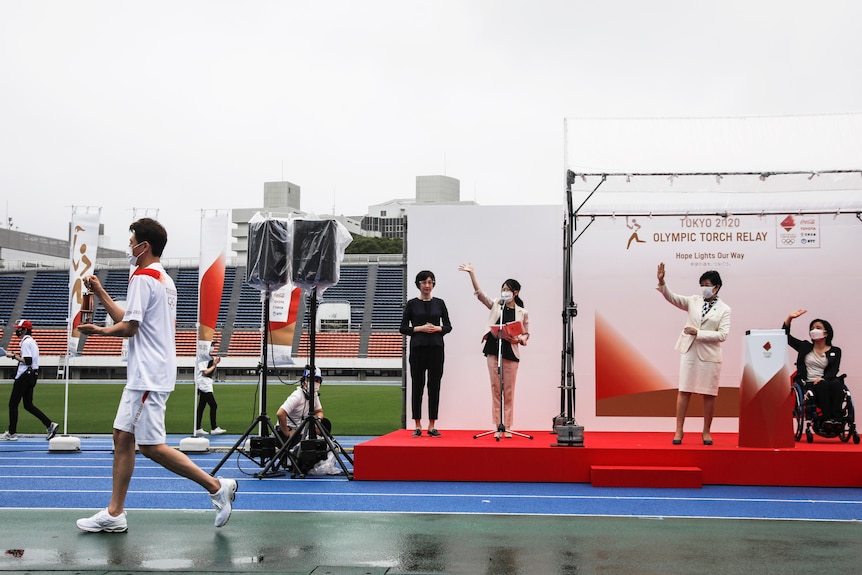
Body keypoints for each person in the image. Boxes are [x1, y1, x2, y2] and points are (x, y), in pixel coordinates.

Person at [75, 218, 237, 533]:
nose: (129, 247)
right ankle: (114, 512)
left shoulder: (142, 278)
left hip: (148, 373)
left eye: (132, 240)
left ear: (144, 246)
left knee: (150, 446)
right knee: (122, 437)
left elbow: (129, 327)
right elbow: (131, 317)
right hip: (149, 371)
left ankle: (217, 487)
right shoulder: (162, 279)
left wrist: (99, 331)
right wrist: (102, 292)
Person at [656, 263, 731, 446]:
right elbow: (672, 297)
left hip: (710, 355)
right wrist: (662, 281)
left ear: (717, 286)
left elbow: (722, 335)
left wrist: (698, 333)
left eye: (707, 285)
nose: (704, 288)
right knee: (684, 390)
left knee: (709, 394)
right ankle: (679, 429)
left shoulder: (724, 309)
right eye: (702, 285)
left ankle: (706, 431)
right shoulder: (693, 301)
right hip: (690, 351)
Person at [458, 263, 529, 439]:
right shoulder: (497, 304)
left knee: (509, 390)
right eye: (503, 289)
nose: (505, 292)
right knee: (495, 389)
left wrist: (518, 339)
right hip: (493, 349)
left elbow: (526, 334)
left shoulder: (522, 312)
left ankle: (509, 425)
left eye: (508, 289)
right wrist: (472, 274)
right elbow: (480, 295)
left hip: (510, 351)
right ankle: (498, 425)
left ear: (516, 292)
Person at [399, 270, 452, 437]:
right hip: (418, 349)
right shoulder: (412, 304)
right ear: (418, 284)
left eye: (430, 282)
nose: (427, 285)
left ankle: (432, 424)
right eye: (424, 282)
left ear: (433, 284)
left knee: (434, 386)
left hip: (436, 348)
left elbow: (448, 326)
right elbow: (403, 328)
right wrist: (419, 329)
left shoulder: (440, 303)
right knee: (417, 386)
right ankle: (417, 424)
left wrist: (439, 329)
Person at [783, 310, 843, 427]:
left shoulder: (836, 351)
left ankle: (837, 419)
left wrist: (823, 378)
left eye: (818, 327)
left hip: (827, 380)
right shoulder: (804, 346)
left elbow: (834, 369)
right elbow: (785, 337)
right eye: (812, 328)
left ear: (826, 333)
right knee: (822, 385)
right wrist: (789, 318)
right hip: (808, 383)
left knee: (837, 384)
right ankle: (826, 419)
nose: (814, 330)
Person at [1, 320, 58, 441]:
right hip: (32, 375)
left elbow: (27, 361)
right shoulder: (32, 342)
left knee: (13, 404)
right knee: (28, 405)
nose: (17, 330)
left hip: (25, 376)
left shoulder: (26, 342)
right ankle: (49, 424)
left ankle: (12, 433)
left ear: (25, 330)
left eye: (19, 328)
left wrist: (13, 356)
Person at [276, 367, 327, 440]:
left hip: (301, 432)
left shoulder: (314, 395)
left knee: (325, 423)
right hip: (288, 432)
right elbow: (280, 413)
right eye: (312, 379)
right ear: (304, 381)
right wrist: (287, 433)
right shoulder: (297, 396)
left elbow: (319, 412)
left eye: (317, 380)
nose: (315, 382)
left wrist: (317, 422)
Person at [195, 343, 226, 436]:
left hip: (207, 384)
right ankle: (214, 428)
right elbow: (205, 372)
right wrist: (214, 364)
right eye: (212, 345)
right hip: (203, 385)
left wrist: (215, 364)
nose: (213, 347)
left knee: (201, 407)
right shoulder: (202, 358)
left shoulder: (208, 358)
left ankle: (197, 428)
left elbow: (211, 373)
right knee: (213, 405)